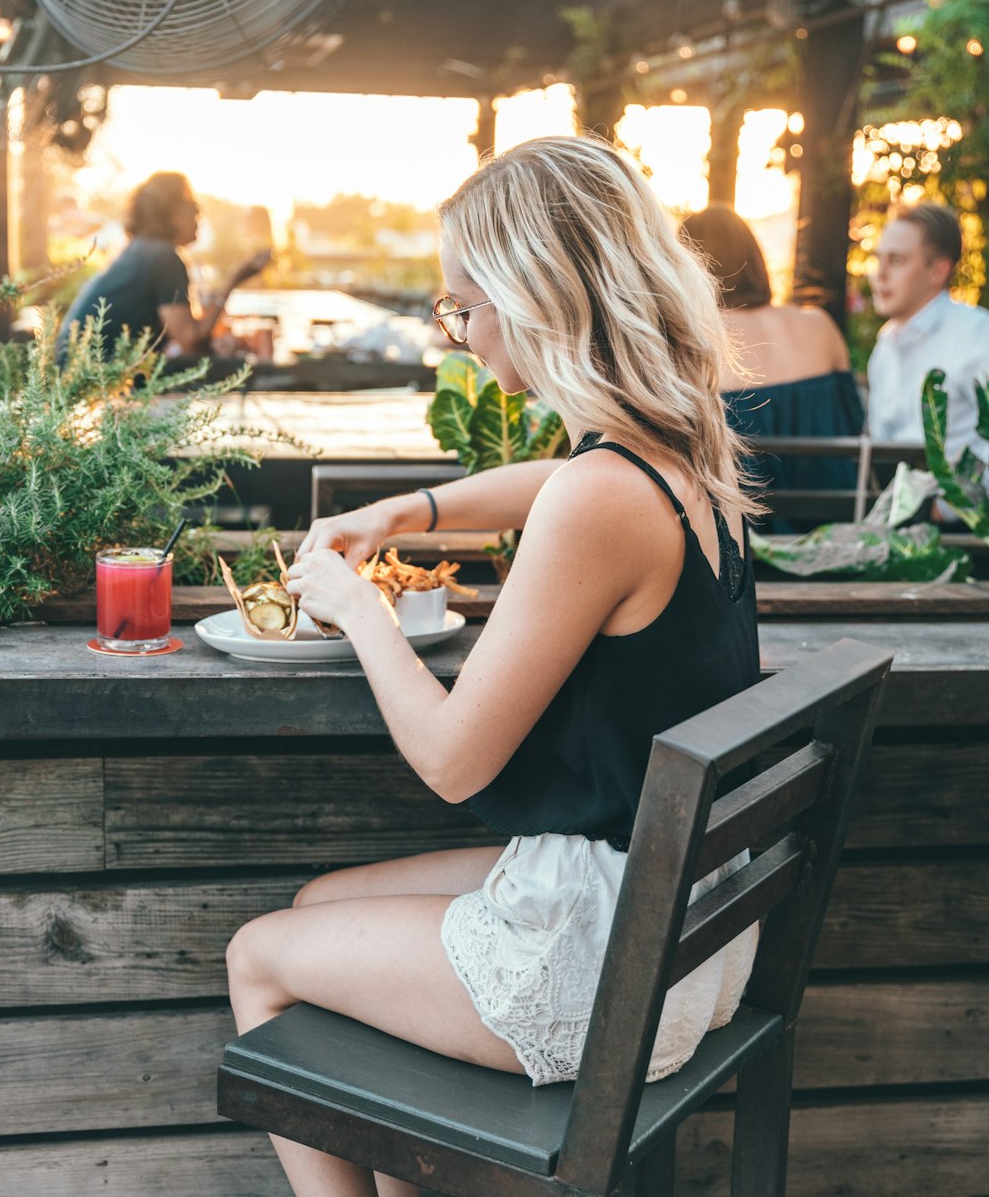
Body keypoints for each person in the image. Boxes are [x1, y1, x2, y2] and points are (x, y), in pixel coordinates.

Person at [225, 137, 762, 1197]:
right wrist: (408, 511)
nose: (459, 337)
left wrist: (356, 606)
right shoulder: (679, 447)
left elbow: (453, 762)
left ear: (539, 297)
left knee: (260, 956)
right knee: (319, 901)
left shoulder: (602, 497)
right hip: (691, 921)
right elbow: (552, 484)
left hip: (612, 954)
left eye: (463, 307)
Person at [679, 205, 863, 529]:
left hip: (743, 541)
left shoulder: (690, 344)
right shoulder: (819, 326)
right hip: (834, 531)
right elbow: (853, 425)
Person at [55, 172, 272, 361]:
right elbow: (191, 341)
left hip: (81, 374)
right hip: (93, 384)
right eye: (194, 207)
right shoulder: (163, 258)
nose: (199, 215)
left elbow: (186, 330)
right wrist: (233, 280)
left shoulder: (143, 252)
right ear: (173, 213)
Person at [868, 202, 989, 471]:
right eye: (878, 259)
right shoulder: (885, 345)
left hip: (962, 511)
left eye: (896, 260)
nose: (880, 274)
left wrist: (948, 506)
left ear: (937, 271)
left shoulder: (979, 335)